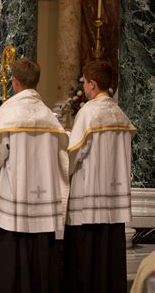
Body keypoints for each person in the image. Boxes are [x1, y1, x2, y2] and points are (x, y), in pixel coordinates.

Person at [0, 57, 69, 293]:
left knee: (12, 272)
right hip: (44, 206)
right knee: (41, 270)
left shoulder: (7, 114)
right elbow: (63, 161)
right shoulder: (50, 117)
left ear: (15, 81)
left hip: (13, 206)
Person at [63, 60, 136, 293]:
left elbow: (74, 155)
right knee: (109, 264)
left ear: (93, 84)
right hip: (113, 205)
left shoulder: (89, 113)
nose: (83, 86)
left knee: (87, 266)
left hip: (87, 204)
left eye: (85, 82)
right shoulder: (119, 114)